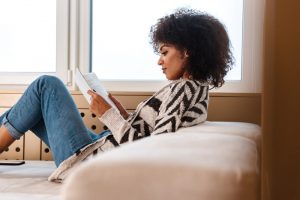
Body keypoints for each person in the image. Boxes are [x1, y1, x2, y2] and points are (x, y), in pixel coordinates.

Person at [0, 8, 233, 181]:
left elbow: (155, 152)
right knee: (36, 104)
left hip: (90, 163)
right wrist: (123, 115)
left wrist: (109, 115)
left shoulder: (185, 90)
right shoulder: (193, 90)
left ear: (188, 50)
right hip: (100, 147)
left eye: (164, 52)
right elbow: (151, 133)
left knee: (45, 85)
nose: (159, 60)